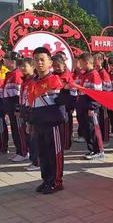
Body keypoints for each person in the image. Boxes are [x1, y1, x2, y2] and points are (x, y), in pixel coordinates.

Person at [29, 47, 66, 194]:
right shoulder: (33, 82)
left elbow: (63, 102)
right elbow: (31, 104)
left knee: (54, 153)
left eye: (42, 59)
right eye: (36, 60)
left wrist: (67, 91)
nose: (39, 63)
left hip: (53, 124)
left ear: (50, 62)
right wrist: (30, 122)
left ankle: (56, 182)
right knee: (42, 154)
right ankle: (46, 180)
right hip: (38, 123)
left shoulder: (55, 80)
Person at [76, 53, 104, 160]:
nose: (80, 65)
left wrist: (92, 107)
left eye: (81, 63)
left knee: (93, 129)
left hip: (90, 108)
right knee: (86, 129)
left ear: (87, 62)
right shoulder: (83, 74)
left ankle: (99, 150)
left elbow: (97, 94)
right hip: (82, 106)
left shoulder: (94, 75)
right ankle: (92, 149)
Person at [3, 52, 27, 161]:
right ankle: (19, 151)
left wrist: (17, 109)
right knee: (15, 130)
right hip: (11, 109)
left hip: (16, 110)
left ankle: (23, 152)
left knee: (19, 131)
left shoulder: (17, 74)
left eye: (6, 59)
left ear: (13, 62)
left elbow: (18, 95)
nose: (4, 61)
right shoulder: (11, 74)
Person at [19, 58, 39, 171]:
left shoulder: (33, 81)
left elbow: (31, 100)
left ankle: (37, 162)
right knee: (29, 138)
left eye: (24, 66)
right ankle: (34, 160)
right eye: (21, 66)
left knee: (34, 139)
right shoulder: (25, 80)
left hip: (31, 113)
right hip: (25, 112)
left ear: (32, 67)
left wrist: (29, 115)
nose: (22, 68)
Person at [52, 55, 76, 150]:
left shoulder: (67, 76)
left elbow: (73, 92)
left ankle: (66, 145)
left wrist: (71, 106)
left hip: (66, 106)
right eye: (54, 66)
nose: (56, 68)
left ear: (64, 65)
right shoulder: (53, 75)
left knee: (66, 126)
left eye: (58, 66)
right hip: (56, 105)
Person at [94, 52, 112, 143]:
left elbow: (108, 87)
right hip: (97, 100)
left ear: (100, 61)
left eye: (96, 59)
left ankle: (105, 139)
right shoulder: (95, 71)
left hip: (103, 100)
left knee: (104, 120)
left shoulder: (103, 73)